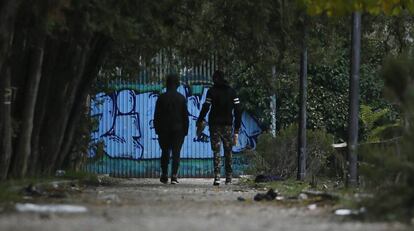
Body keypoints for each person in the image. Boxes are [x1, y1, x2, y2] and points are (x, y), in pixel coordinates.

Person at [196, 70, 241, 185]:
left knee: (216, 151)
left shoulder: (211, 91)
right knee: (228, 151)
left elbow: (206, 107)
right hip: (228, 125)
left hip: (214, 125)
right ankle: (229, 178)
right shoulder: (232, 92)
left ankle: (217, 177)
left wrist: (200, 120)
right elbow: (238, 110)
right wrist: (236, 129)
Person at [154, 73, 189, 184]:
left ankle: (164, 174)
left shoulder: (161, 98)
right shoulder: (181, 98)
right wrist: (186, 130)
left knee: (165, 152)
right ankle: (174, 176)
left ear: (167, 84)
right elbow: (185, 116)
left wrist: (157, 129)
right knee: (176, 152)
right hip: (178, 130)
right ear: (177, 84)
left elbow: (157, 115)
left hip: (163, 130)